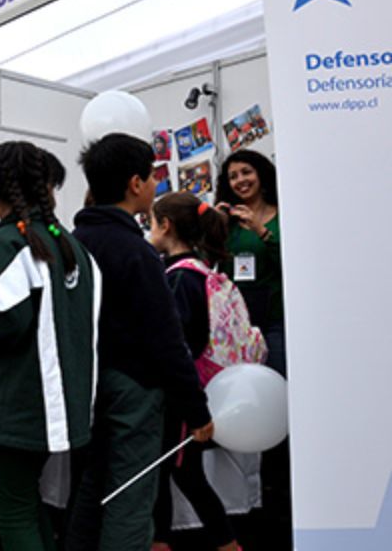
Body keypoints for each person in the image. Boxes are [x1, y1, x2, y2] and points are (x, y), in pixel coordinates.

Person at [0, 142, 96, 551]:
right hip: (66, 407)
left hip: (15, 407)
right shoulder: (72, 244)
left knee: (13, 513)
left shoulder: (4, 243)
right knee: (29, 506)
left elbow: (3, 319)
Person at [66, 133, 214, 551]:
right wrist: (196, 410)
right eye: (152, 176)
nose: (154, 185)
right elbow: (167, 341)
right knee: (130, 496)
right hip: (134, 391)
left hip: (86, 385)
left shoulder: (73, 244)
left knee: (91, 490)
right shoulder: (136, 252)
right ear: (135, 184)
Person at [148, 192, 242, 551]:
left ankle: (227, 544)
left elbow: (177, 345)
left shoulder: (176, 279)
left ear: (166, 226)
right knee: (176, 474)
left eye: (154, 223)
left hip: (182, 397)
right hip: (200, 389)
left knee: (183, 475)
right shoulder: (201, 272)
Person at [214, 149, 289, 550]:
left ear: (261, 174)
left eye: (247, 172)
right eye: (233, 175)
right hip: (236, 326)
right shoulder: (226, 220)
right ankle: (242, 497)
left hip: (275, 321)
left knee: (276, 393)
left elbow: (293, 259)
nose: (241, 180)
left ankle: (277, 490)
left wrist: (261, 230)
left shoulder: (280, 213)